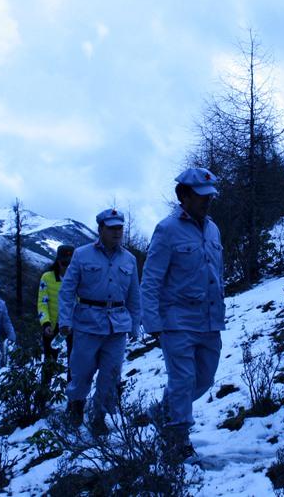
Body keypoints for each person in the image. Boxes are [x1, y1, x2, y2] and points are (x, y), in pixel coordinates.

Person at [141, 167, 225, 461]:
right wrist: (151, 321)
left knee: (204, 379)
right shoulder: (167, 230)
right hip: (177, 319)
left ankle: (163, 412)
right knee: (183, 379)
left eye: (210, 196)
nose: (207, 201)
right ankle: (177, 441)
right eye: (201, 196)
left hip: (210, 320)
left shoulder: (213, 229)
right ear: (184, 196)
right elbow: (151, 278)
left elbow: (217, 273)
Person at [58, 208, 141, 432]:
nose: (117, 232)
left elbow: (134, 295)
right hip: (87, 323)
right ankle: (76, 406)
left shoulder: (129, 259)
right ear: (100, 229)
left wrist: (135, 325)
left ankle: (99, 416)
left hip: (117, 326)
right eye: (112, 228)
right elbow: (67, 291)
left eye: (120, 228)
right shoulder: (81, 255)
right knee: (82, 371)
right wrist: (64, 321)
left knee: (111, 374)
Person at [38, 244, 75, 383]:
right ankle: (44, 392)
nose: (66, 267)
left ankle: (72, 394)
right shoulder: (47, 278)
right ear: (58, 261)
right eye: (64, 263)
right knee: (49, 362)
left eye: (70, 263)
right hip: (52, 326)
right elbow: (42, 303)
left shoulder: (78, 278)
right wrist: (46, 323)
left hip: (73, 326)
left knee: (74, 362)